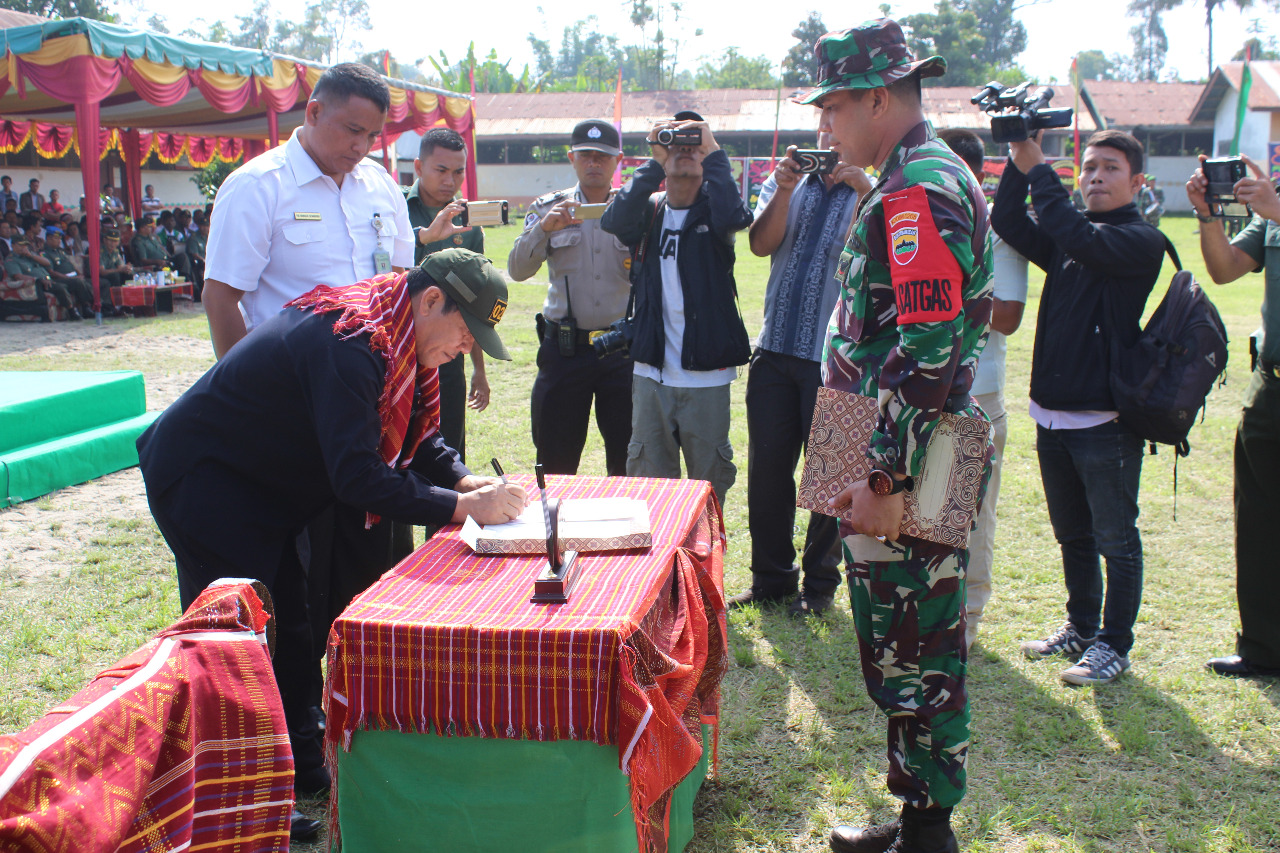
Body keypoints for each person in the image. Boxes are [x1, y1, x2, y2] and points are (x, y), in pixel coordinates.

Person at [137, 254, 524, 841]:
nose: (467, 348)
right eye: (467, 331)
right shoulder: (356, 341)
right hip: (206, 481)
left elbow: (420, 440)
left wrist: (465, 480)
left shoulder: (397, 341)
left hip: (265, 489)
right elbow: (358, 477)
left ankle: (303, 762)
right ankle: (242, 793)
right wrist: (461, 508)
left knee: (293, 624)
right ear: (431, 301)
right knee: (234, 643)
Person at [197, 63, 413, 837]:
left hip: (364, 425)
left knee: (364, 581)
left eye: (371, 135)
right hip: (285, 435)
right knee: (289, 600)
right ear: (311, 110)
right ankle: (291, 747)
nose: (360, 146)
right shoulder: (257, 187)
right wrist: (253, 420)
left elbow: (398, 294)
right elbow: (225, 299)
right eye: (349, 129)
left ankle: (356, 724)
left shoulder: (380, 189)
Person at [800, 20, 993, 853]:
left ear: (881, 97)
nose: (826, 124)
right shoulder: (911, 175)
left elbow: (932, 350)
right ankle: (917, 812)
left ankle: (931, 833)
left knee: (919, 638)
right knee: (895, 637)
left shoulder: (917, 187)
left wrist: (886, 480)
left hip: (907, 441)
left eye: (836, 105)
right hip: (879, 430)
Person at [993, 128, 1164, 686]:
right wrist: (1019, 164)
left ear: (1138, 182)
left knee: (1117, 538)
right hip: (1053, 415)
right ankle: (1082, 628)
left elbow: (1075, 235)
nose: (1094, 176)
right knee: (1074, 535)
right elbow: (1011, 224)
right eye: (1088, 167)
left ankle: (1115, 645)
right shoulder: (1073, 235)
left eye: (1110, 168)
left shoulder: (1140, 240)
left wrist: (1040, 169)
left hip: (1105, 421)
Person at [726, 131, 866, 617]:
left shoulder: (873, 187)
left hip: (839, 356)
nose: (830, 137)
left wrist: (864, 190)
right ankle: (771, 579)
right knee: (767, 472)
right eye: (823, 127)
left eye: (836, 124)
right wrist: (783, 188)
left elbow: (869, 255)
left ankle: (820, 586)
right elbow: (761, 244)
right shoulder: (791, 180)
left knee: (830, 476)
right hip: (775, 347)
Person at [600, 110, 753, 507]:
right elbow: (613, 220)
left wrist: (713, 152)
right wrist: (654, 162)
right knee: (649, 490)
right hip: (651, 373)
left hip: (705, 377)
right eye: (675, 143)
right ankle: (662, 571)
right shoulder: (649, 211)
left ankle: (701, 568)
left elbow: (735, 215)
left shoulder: (715, 212)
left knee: (707, 493)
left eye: (694, 144)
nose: (684, 150)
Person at [1185, 153, 1280, 679]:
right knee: (1260, 518)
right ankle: (1263, 647)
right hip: (1272, 385)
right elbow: (1223, 271)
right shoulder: (1271, 203)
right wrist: (1207, 214)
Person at [938, 128, 1029, 650]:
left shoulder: (996, 230)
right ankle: (926, 612)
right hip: (919, 388)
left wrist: (937, 300)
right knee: (921, 513)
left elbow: (1010, 316)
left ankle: (968, 618)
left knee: (971, 515)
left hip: (978, 391)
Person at [507, 119, 633, 476]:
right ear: (572, 158)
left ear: (617, 160)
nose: (594, 162)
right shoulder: (547, 208)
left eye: (602, 156)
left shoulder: (636, 209)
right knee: (555, 461)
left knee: (628, 461)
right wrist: (542, 229)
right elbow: (517, 270)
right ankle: (555, 532)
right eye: (586, 155)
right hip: (566, 351)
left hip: (623, 351)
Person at [403, 126, 488, 462]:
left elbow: (474, 302)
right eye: (441, 170)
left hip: (448, 354)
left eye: (458, 172)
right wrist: (421, 236)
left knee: (449, 447)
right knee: (397, 447)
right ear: (419, 167)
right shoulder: (394, 209)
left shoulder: (469, 226)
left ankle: (449, 515)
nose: (450, 181)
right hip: (398, 348)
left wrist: (478, 369)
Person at [4, 235, 81, 320]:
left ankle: (86, 307)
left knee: (76, 282)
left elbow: (47, 263)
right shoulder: (11, 260)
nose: (24, 247)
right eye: (21, 245)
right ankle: (72, 311)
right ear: (13, 245)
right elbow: (18, 276)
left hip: (50, 279)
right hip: (39, 285)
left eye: (25, 245)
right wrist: (38, 280)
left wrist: (31, 256)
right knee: (60, 288)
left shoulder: (29, 254)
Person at [41, 227, 94, 317]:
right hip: (59, 279)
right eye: (56, 238)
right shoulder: (44, 253)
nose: (59, 241)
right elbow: (51, 272)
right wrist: (69, 278)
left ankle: (99, 306)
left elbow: (70, 265)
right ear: (48, 239)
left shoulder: (60, 251)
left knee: (91, 283)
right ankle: (86, 307)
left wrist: (79, 274)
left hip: (72, 277)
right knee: (78, 282)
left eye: (60, 239)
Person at [185, 217, 209, 301]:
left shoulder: (208, 237)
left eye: (206, 226)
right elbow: (194, 254)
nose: (205, 228)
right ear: (199, 226)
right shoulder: (194, 238)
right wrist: (204, 260)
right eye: (202, 226)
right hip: (199, 263)